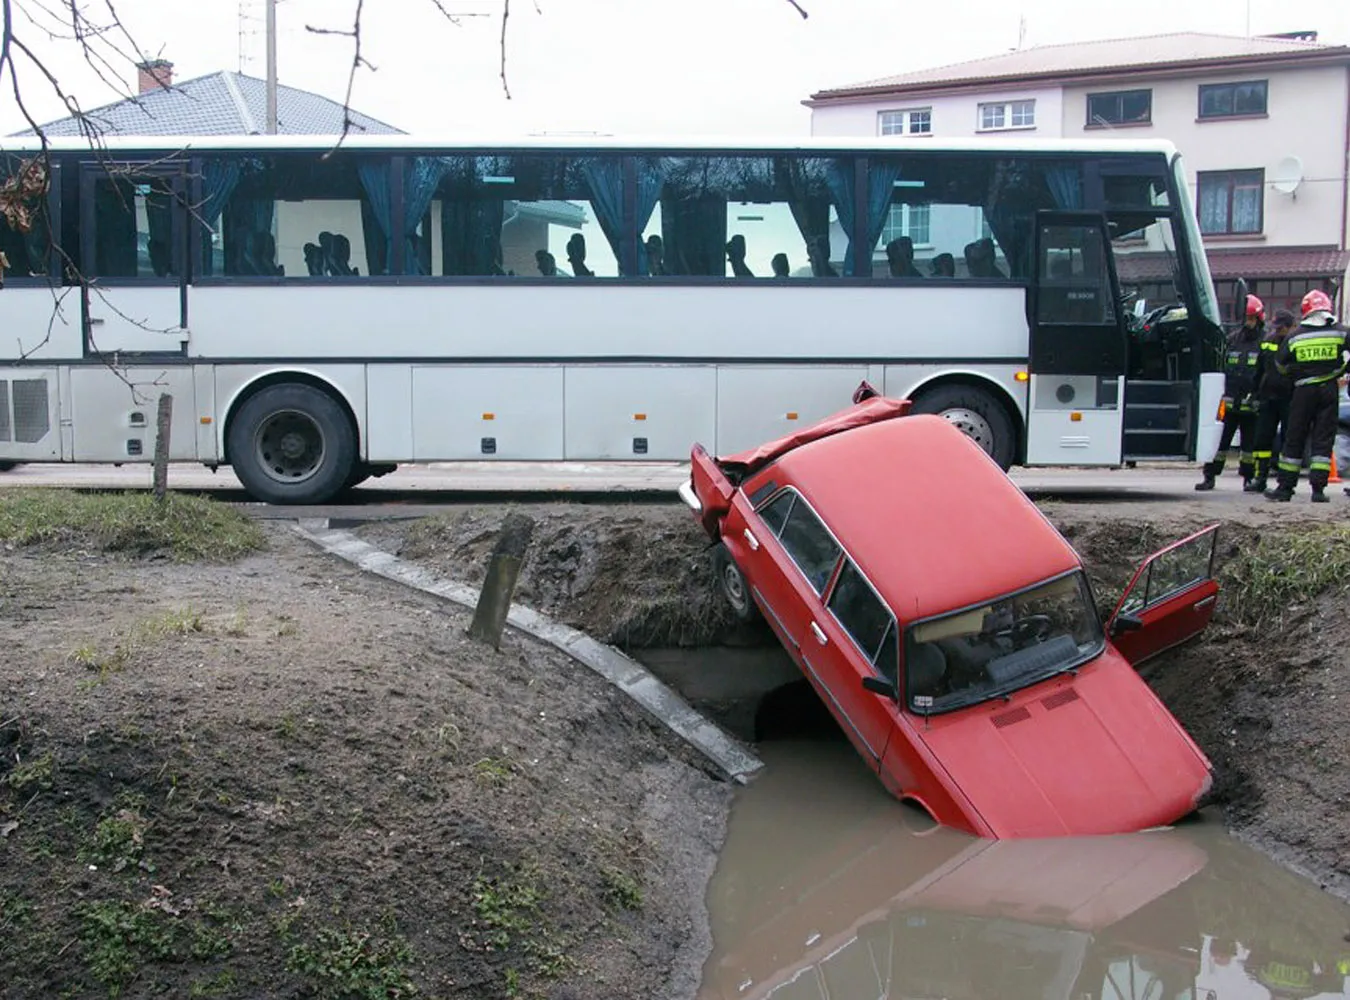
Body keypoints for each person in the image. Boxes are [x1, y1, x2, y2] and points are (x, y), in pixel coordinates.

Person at [1266, 289, 1347, 503]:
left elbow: (1280, 365)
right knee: (1323, 439)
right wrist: (1338, 371)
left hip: (1302, 391)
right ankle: (1318, 490)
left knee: (1295, 437)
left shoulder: (1295, 336)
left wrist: (1295, 375)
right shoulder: (1342, 332)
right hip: (1329, 389)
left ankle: (1285, 488)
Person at [1196, 293, 1264, 490]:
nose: (1249, 322)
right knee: (1220, 443)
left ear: (1259, 319)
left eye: (1252, 318)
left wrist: (1259, 396)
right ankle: (1209, 476)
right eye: (1247, 318)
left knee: (1249, 448)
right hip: (1229, 403)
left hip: (1251, 406)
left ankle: (1248, 479)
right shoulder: (1233, 340)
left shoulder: (1264, 341)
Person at [1245, 307, 1297, 493]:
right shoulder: (1268, 341)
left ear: (1291, 327)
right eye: (1276, 327)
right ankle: (1260, 478)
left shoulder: (1296, 342)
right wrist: (1254, 392)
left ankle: (1284, 481)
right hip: (1267, 396)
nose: (1277, 331)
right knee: (1262, 439)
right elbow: (1260, 369)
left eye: (1281, 328)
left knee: (1288, 440)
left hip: (1289, 398)